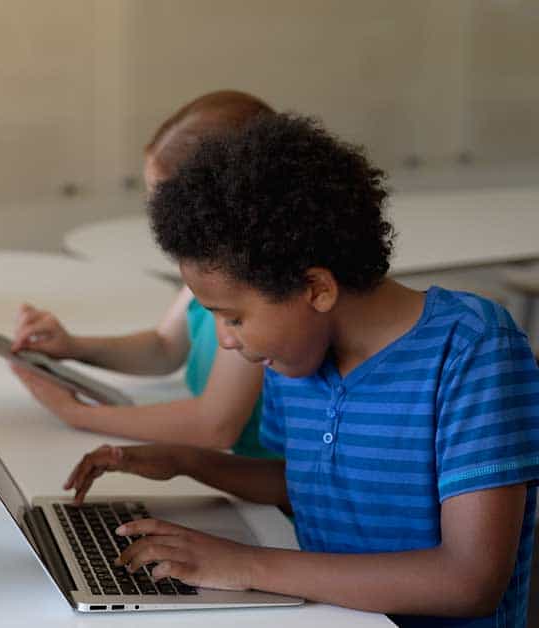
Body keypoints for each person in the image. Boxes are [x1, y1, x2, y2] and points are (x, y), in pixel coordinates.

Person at [65, 112, 539, 627]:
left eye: (234, 317)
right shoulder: (295, 355)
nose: (227, 339)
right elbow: (307, 483)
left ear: (316, 289)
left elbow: (468, 581)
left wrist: (245, 564)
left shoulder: (472, 350)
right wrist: (189, 460)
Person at [11, 91, 276, 456]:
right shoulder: (210, 263)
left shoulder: (257, 285)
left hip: (258, 498)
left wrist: (78, 413)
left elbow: (214, 426)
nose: (157, 221)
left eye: (163, 203)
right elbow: (164, 347)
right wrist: (73, 347)